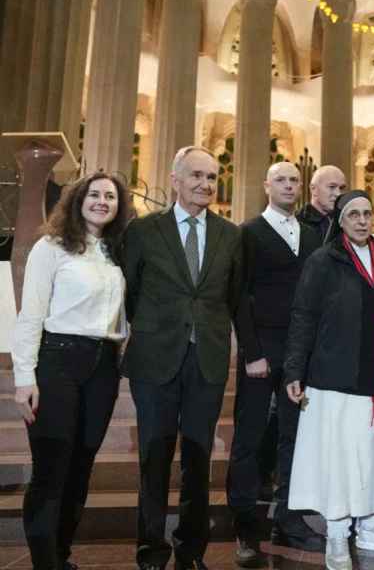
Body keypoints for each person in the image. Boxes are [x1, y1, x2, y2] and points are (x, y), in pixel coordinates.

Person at [121, 146, 244, 570]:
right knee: (153, 457)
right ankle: (151, 551)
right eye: (196, 175)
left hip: (206, 360)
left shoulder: (231, 235)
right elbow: (131, 293)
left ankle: (190, 549)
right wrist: (158, 329)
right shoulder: (143, 231)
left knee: (198, 458)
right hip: (155, 358)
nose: (205, 184)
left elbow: (233, 296)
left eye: (212, 177)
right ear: (174, 180)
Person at [284, 190, 374, 570]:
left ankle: (371, 526)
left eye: (367, 213)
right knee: (338, 458)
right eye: (353, 214)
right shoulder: (323, 260)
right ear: (340, 221)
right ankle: (337, 534)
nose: (361, 220)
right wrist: (294, 369)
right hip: (332, 375)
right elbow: (303, 316)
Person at [13, 173, 130, 570]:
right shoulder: (52, 247)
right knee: (52, 464)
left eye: (110, 196)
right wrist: (24, 377)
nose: (102, 201)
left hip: (103, 366)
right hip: (57, 360)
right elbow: (30, 315)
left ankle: (61, 554)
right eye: (94, 194)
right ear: (78, 199)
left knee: (81, 465)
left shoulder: (116, 252)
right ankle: (44, 561)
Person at [227, 162, 324, 566]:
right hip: (260, 352)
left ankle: (289, 518)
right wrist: (251, 352)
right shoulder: (248, 232)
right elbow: (239, 295)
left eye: (294, 181)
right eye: (281, 179)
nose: (288, 185)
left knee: (294, 438)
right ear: (266, 185)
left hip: (298, 353)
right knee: (248, 440)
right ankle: (245, 529)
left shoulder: (311, 234)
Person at [296, 165, 347, 243]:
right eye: (332, 187)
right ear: (313, 189)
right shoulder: (296, 222)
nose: (338, 194)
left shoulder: (347, 222)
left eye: (342, 188)